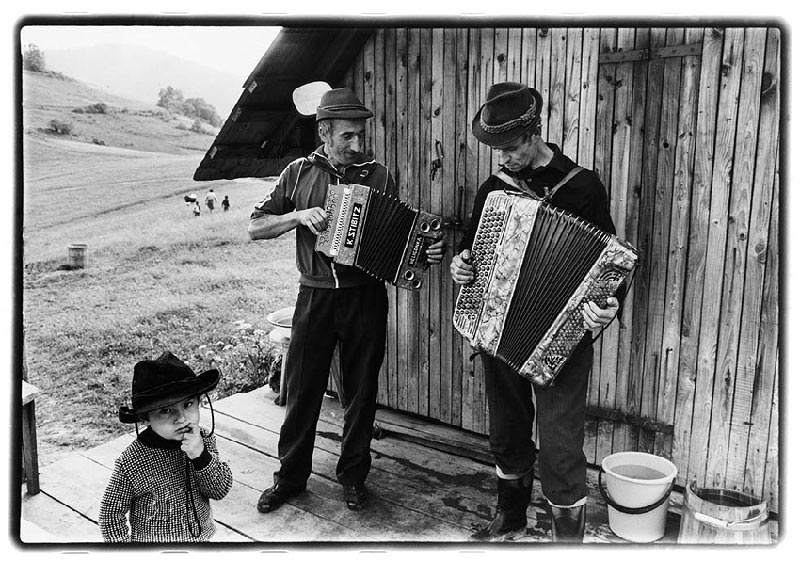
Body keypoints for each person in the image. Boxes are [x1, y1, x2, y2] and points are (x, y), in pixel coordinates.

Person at [248, 87, 446, 513]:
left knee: (361, 392)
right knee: (302, 390)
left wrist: (424, 252)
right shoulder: (298, 173)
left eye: (361, 136)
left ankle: (354, 477)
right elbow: (255, 227)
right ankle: (290, 479)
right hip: (315, 297)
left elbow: (399, 240)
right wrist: (296, 216)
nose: (358, 145)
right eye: (347, 137)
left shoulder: (380, 175)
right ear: (324, 132)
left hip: (366, 298)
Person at [450, 82, 622, 542]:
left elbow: (610, 264)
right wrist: (461, 266)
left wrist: (607, 306)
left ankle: (568, 540)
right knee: (506, 430)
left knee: (561, 442)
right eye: (497, 150)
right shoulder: (494, 189)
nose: (503, 159)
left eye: (510, 148)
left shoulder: (582, 186)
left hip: (563, 337)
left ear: (534, 135)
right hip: (500, 330)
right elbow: (470, 253)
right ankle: (511, 515)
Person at [99, 351, 233, 542]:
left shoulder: (202, 439)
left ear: (200, 403)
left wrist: (201, 457)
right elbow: (110, 514)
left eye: (188, 404)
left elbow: (219, 490)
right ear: (146, 418)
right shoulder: (133, 461)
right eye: (166, 410)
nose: (181, 418)